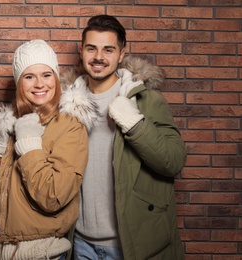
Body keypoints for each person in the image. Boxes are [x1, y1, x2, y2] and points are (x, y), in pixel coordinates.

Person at [62, 15, 187, 259]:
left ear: (121, 54)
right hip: (79, 245)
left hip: (130, 245)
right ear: (81, 51)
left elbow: (173, 161)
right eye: (91, 48)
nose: (99, 57)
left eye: (108, 49)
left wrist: (135, 124)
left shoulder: (146, 100)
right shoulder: (65, 103)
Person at [0, 39, 96, 259]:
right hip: (2, 247)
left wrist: (29, 143)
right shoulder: (14, 121)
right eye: (29, 76)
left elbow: (54, 196)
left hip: (42, 252)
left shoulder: (69, 125)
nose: (39, 84)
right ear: (19, 83)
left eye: (46, 74)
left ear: (56, 78)